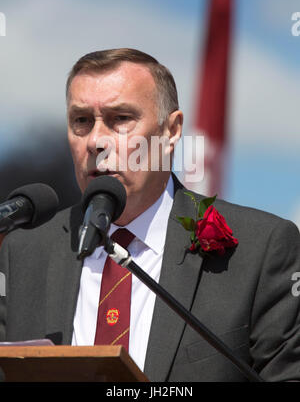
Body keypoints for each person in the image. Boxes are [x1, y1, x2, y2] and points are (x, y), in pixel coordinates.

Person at [0, 48, 300, 382]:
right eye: (82, 121)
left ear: (171, 131)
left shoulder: (261, 247)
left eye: (121, 119)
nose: (97, 141)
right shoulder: (23, 251)